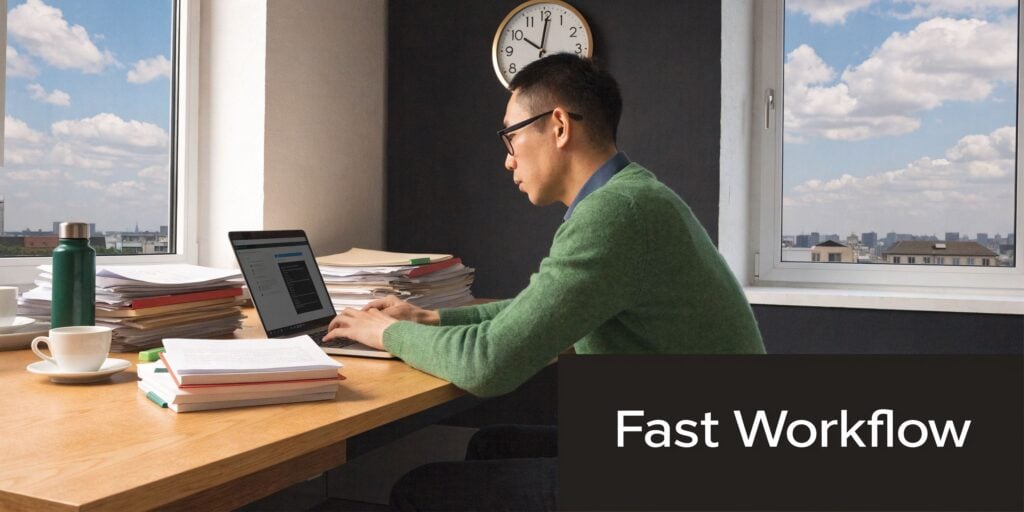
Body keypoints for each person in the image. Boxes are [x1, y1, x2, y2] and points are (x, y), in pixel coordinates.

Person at [324, 53, 764, 509]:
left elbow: (488, 364)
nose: (508, 160)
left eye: (510, 137)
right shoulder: (636, 196)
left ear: (558, 126)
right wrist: (429, 317)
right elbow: (537, 308)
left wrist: (388, 333)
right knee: (492, 443)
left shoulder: (616, 213)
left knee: (419, 490)